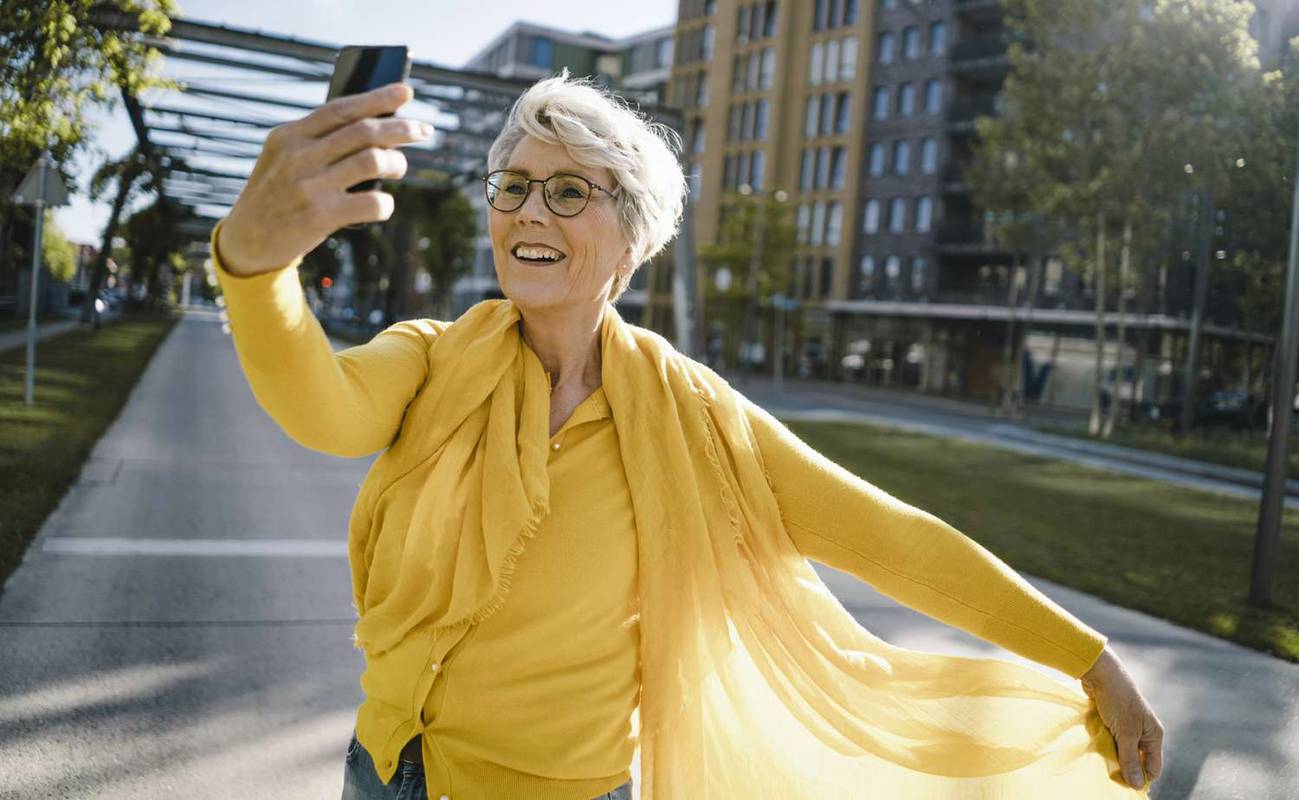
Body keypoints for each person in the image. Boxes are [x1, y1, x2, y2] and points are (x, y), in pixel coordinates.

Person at [212, 70, 1163, 799]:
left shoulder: (697, 419)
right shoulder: (430, 357)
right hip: (383, 771)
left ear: (631, 239)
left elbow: (889, 538)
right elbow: (322, 409)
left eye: (569, 192)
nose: (530, 212)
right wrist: (256, 269)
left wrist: (1090, 658)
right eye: (514, 188)